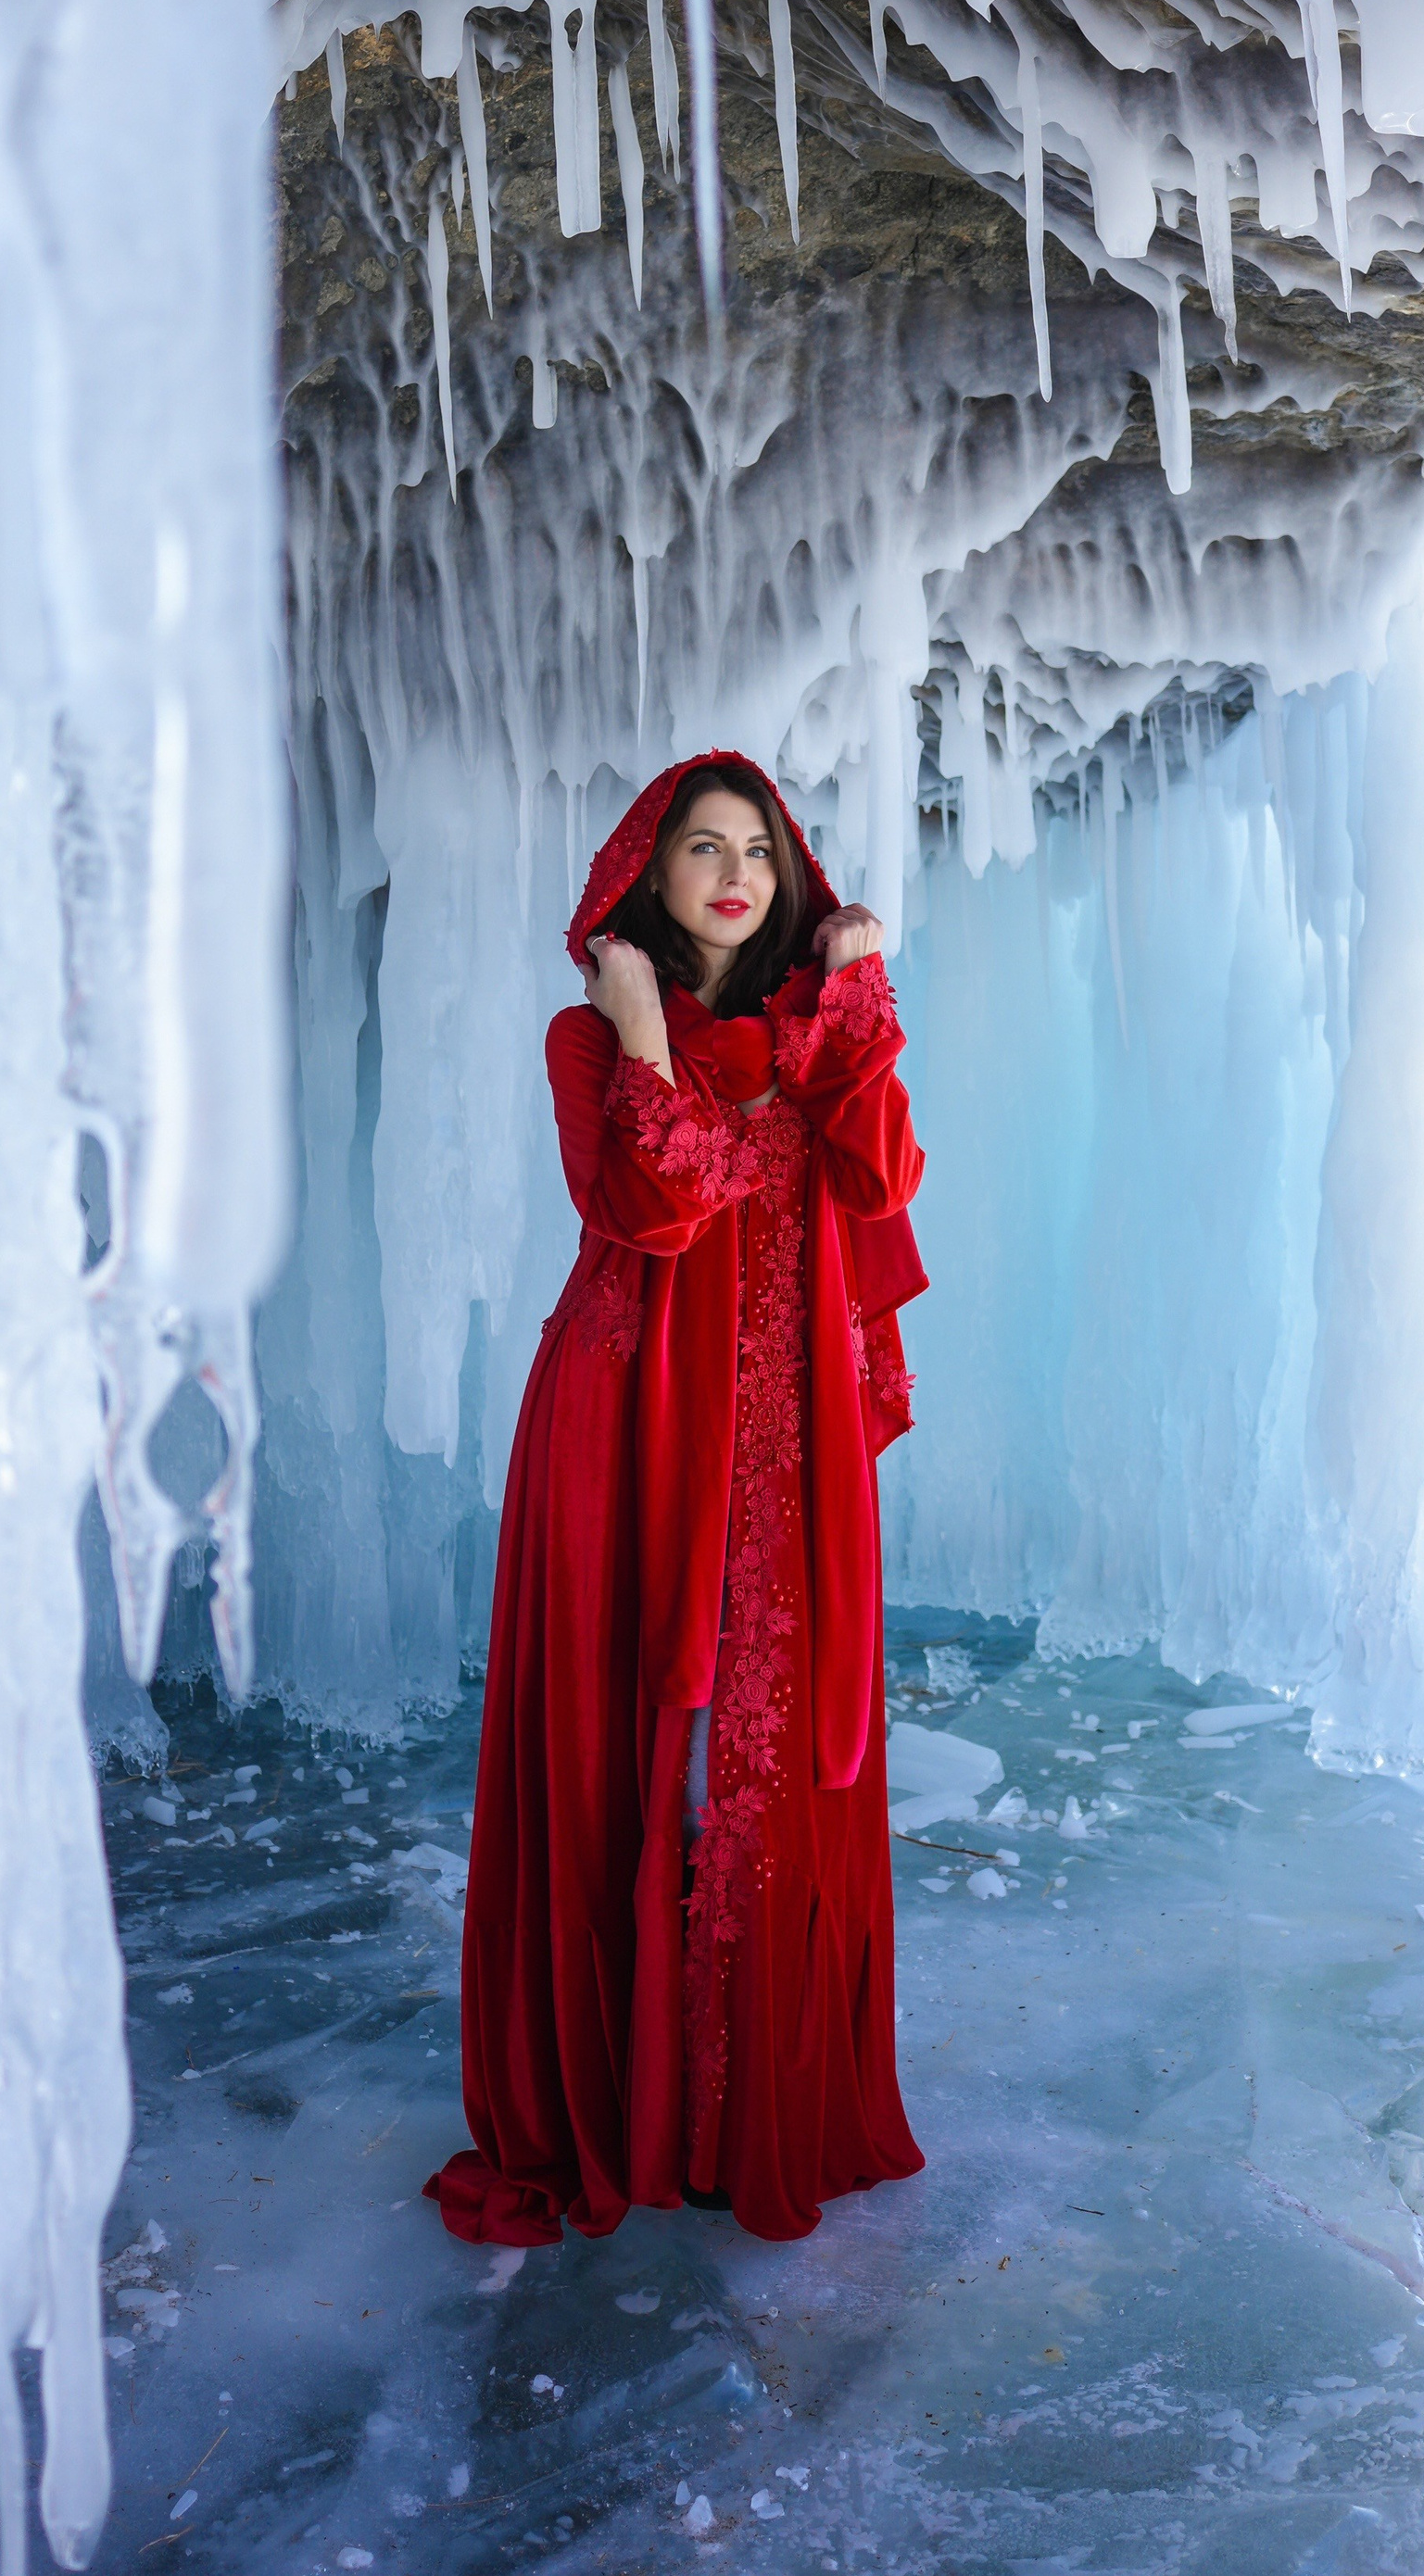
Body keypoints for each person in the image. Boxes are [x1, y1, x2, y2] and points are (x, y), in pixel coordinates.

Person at [426, 752, 929, 2247]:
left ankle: (732, 2104)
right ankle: (633, 2103)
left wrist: (857, 1010)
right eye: (701, 848)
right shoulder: (589, 1040)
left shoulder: (817, 1029)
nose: (735, 874)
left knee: (760, 1760)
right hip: (625, 1422)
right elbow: (661, 1199)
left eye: (759, 851)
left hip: (782, 1436)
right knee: (645, 1744)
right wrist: (645, 1029)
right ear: (649, 875)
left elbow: (887, 1175)